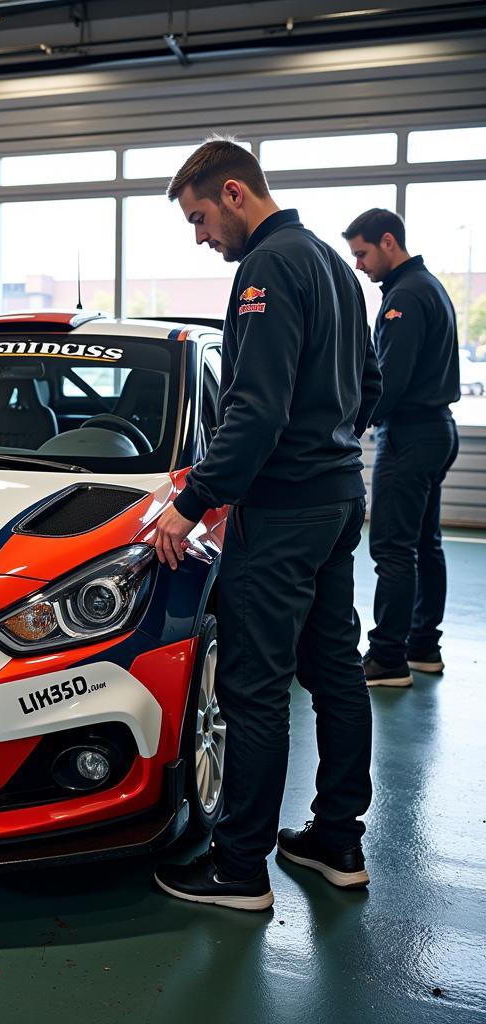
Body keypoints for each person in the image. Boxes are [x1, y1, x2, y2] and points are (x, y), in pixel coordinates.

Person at [149, 139, 382, 911]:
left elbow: (254, 408)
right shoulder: (335, 267)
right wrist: (329, 448)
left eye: (201, 217)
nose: (201, 236)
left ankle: (239, 866)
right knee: (334, 670)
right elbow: (368, 385)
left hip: (282, 511)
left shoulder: (270, 266)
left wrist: (192, 500)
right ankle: (337, 840)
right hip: (337, 497)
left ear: (237, 194)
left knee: (253, 688)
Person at [344, 209, 460, 688]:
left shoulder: (405, 297)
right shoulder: (426, 286)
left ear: (388, 242)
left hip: (410, 434)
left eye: (363, 253)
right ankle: (422, 646)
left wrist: (348, 428)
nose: (359, 265)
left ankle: (388, 657)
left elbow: (389, 380)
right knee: (423, 544)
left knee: (393, 547)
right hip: (435, 430)